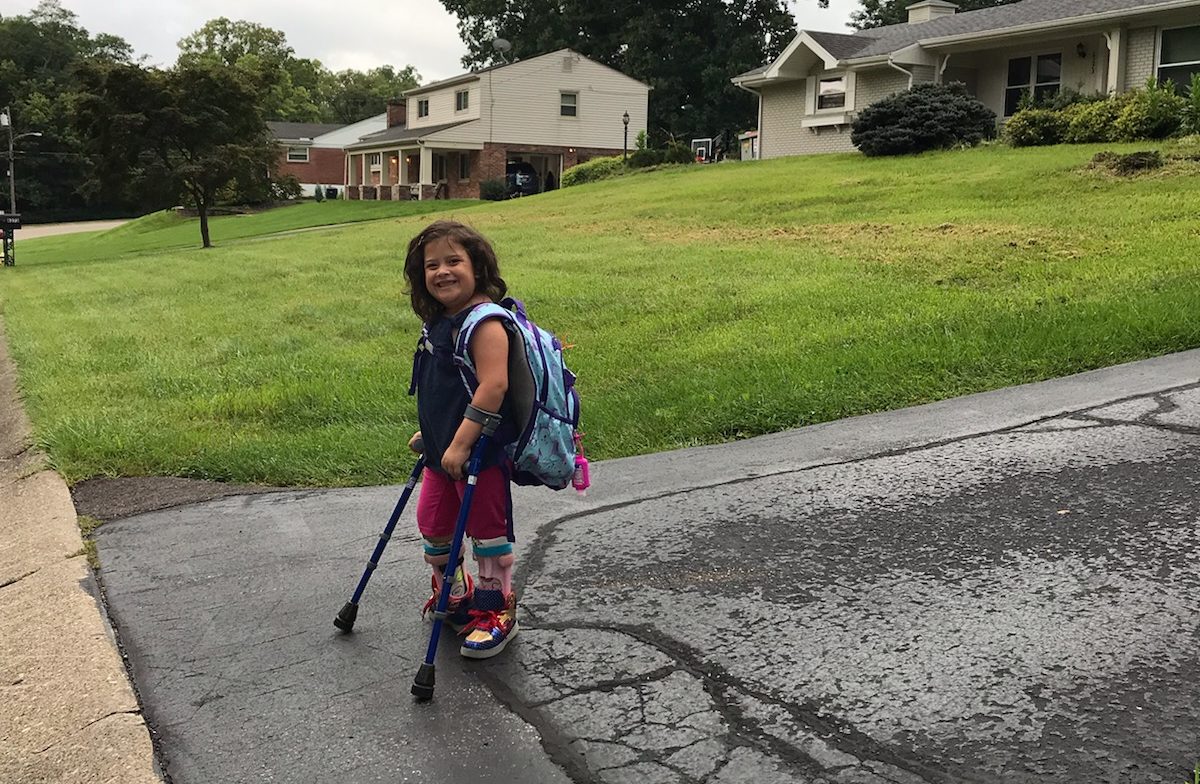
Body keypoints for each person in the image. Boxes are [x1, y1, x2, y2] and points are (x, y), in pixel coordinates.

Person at [404, 220, 520, 659]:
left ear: (478, 266)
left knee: (488, 535)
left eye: (454, 261)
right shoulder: (441, 322)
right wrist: (433, 436)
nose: (442, 272)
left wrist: (461, 444)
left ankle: (496, 610)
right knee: (434, 524)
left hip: (479, 454)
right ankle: (454, 591)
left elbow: (492, 387)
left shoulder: (486, 322)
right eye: (431, 264)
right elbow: (446, 390)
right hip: (443, 452)